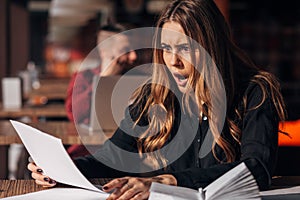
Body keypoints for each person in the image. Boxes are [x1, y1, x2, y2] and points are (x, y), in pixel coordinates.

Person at [28, 0, 286, 199]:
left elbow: (256, 169)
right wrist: (63, 170)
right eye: (166, 49)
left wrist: (168, 182)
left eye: (185, 48)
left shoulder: (254, 92)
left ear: (211, 48)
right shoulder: (154, 94)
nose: (172, 62)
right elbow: (113, 157)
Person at [65, 24, 138, 158]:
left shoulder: (138, 79)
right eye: (126, 50)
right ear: (104, 51)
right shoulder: (84, 77)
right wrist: (103, 80)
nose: (134, 56)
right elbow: (75, 115)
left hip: (129, 149)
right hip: (90, 148)